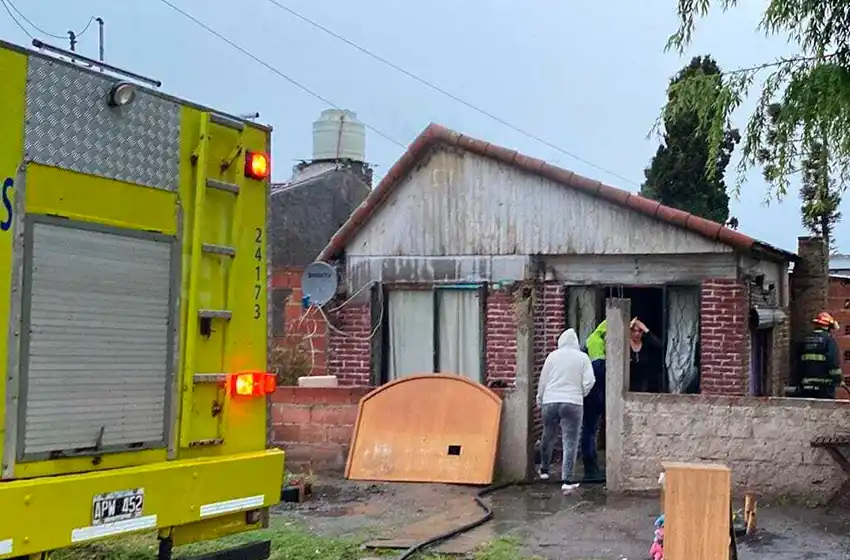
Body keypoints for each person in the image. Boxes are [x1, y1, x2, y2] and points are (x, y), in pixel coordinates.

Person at [536, 328, 596, 494]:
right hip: (573, 402)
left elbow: (543, 380)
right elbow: (590, 381)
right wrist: (581, 393)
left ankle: (544, 470)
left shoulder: (552, 356)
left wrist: (540, 398)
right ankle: (567, 480)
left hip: (550, 400)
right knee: (570, 441)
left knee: (548, 435)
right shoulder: (583, 358)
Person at [581, 320, 607, 479]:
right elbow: (598, 374)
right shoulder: (597, 344)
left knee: (589, 430)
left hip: (591, 395)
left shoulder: (592, 340)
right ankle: (590, 468)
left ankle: (592, 464)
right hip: (593, 396)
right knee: (589, 431)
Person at [797, 312, 843, 399]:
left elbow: (797, 361)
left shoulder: (804, 339)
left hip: (806, 385)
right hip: (824, 386)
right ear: (828, 327)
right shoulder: (829, 340)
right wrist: (838, 379)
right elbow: (832, 362)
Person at [629, 317, 664, 393]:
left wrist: (646, 329)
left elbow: (660, 346)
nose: (637, 334)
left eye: (640, 331)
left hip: (644, 385)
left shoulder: (645, 342)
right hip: (629, 383)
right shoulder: (625, 344)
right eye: (634, 331)